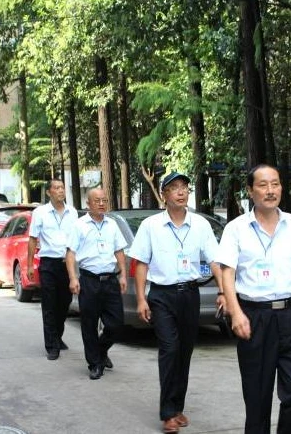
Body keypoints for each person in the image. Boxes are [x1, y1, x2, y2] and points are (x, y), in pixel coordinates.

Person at [216, 163, 291, 434]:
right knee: (257, 401)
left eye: (276, 183)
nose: (271, 190)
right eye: (263, 185)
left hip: (289, 317)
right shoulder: (236, 229)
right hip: (254, 317)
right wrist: (236, 313)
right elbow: (227, 272)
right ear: (250, 191)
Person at [129, 172, 224, 434]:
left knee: (185, 351)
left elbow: (215, 260)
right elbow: (141, 263)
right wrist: (140, 299)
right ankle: (168, 412)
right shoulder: (150, 226)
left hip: (189, 295)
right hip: (161, 295)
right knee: (169, 349)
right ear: (164, 195)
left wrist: (224, 291)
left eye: (185, 187)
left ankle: (178, 407)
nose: (181, 192)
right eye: (174, 188)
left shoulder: (201, 225)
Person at [65, 188, 127, 380]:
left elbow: (119, 251)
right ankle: (95, 363)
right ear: (88, 204)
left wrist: (123, 275)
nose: (101, 203)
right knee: (89, 324)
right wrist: (73, 278)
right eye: (97, 200)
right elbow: (70, 253)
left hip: (110, 280)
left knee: (116, 324)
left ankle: (101, 350)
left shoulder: (112, 224)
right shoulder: (79, 225)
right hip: (89, 280)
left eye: (104, 200)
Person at [27, 179, 78, 361]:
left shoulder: (72, 212)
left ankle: (57, 334)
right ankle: (52, 345)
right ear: (49, 192)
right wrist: (29, 265)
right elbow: (33, 239)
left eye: (63, 187)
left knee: (64, 303)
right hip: (48, 263)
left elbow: (77, 237)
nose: (61, 191)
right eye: (56, 188)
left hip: (67, 264)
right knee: (49, 304)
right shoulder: (40, 212)